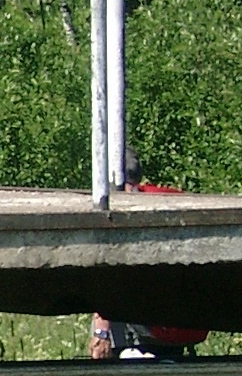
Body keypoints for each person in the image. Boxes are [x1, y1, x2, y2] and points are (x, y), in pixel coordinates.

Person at [88, 149, 211, 361]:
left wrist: (101, 331)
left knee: (103, 303)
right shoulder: (172, 198)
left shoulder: (120, 210)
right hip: (192, 324)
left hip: (155, 327)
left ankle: (114, 367)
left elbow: (110, 276)